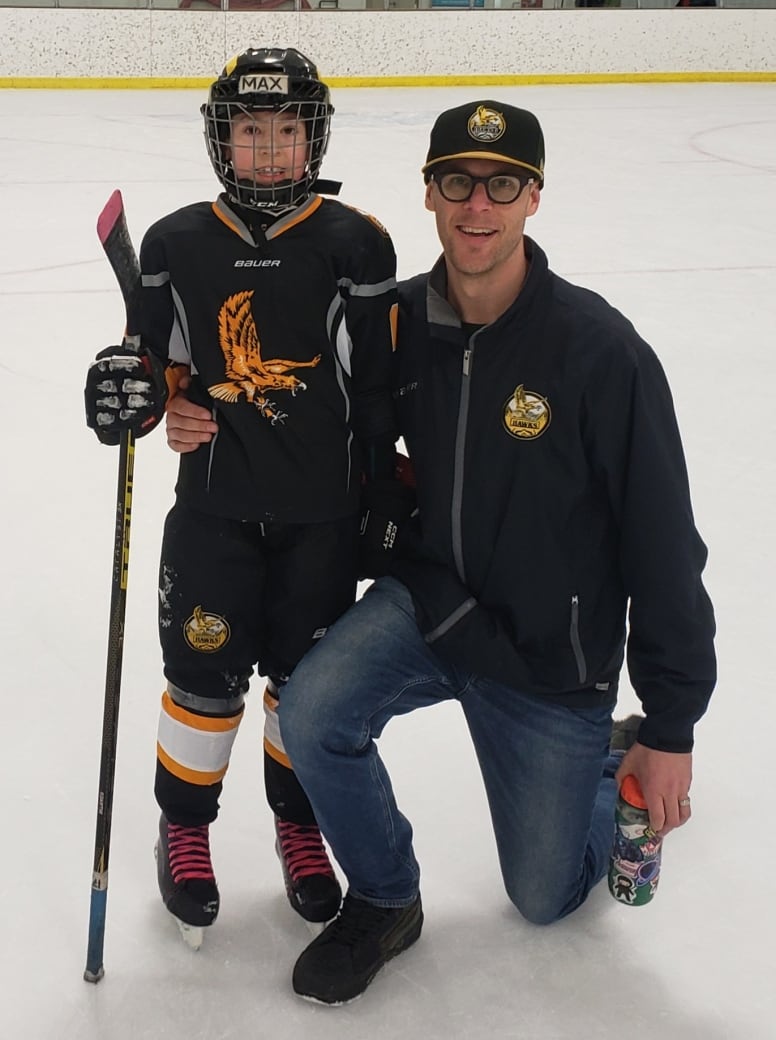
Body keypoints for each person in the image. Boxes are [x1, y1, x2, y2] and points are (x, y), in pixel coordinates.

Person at [166, 99, 717, 1003]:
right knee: (311, 711)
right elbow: (292, 396)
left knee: (545, 897)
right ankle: (385, 898)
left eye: (503, 184)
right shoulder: (397, 327)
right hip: (433, 604)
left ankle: (607, 763)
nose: (478, 205)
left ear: (534, 197)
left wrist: (670, 727)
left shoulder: (599, 352)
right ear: (428, 192)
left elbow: (664, 546)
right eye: (458, 181)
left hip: (548, 658)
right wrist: (179, 398)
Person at [83, 47, 403, 944]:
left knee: (303, 685)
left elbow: (375, 388)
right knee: (203, 675)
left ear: (314, 137)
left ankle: (299, 824)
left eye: (288, 133)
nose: (269, 153)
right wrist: (142, 397)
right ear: (224, 139)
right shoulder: (177, 243)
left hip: (324, 518)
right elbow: (154, 368)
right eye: (252, 132)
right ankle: (184, 829)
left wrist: (383, 492)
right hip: (216, 512)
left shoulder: (357, 241)